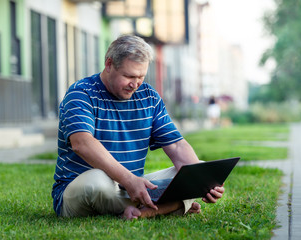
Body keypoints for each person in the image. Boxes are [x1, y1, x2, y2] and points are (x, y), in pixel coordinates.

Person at [51, 35, 225, 220]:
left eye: (141, 76)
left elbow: (176, 146)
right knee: (97, 182)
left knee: (196, 170)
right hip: (81, 190)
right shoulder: (80, 94)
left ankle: (143, 210)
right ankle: (168, 206)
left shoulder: (149, 97)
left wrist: (204, 183)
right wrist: (129, 179)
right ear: (109, 65)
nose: (135, 84)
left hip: (131, 188)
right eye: (129, 76)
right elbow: (82, 143)